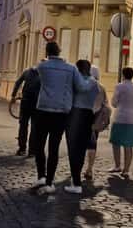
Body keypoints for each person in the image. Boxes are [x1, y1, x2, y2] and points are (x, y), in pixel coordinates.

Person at [31, 41, 92, 195]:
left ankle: (41, 176)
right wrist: (91, 80)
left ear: (47, 52)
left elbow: (34, 72)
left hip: (43, 109)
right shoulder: (71, 69)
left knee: (39, 144)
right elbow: (82, 87)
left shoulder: (42, 67)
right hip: (61, 113)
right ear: (59, 51)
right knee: (54, 147)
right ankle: (50, 181)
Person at [64, 60, 100, 195]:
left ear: (78, 70)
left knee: (73, 148)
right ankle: (76, 179)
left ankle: (76, 182)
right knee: (81, 148)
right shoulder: (94, 82)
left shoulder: (78, 82)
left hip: (75, 114)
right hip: (88, 115)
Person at [109, 67, 133, 178]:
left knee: (116, 143)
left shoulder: (119, 86)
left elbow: (114, 103)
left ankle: (117, 165)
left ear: (123, 75)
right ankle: (126, 169)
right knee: (128, 145)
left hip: (120, 117)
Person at [84, 66, 108, 182]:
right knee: (92, 145)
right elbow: (105, 104)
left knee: (80, 145)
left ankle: (78, 168)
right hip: (96, 119)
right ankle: (89, 168)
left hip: (84, 117)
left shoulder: (85, 84)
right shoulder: (101, 87)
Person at [11, 65, 41, 156]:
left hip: (25, 102)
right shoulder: (43, 74)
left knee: (23, 125)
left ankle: (22, 148)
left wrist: (13, 95)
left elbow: (18, 82)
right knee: (34, 127)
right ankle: (32, 151)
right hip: (37, 104)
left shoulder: (26, 71)